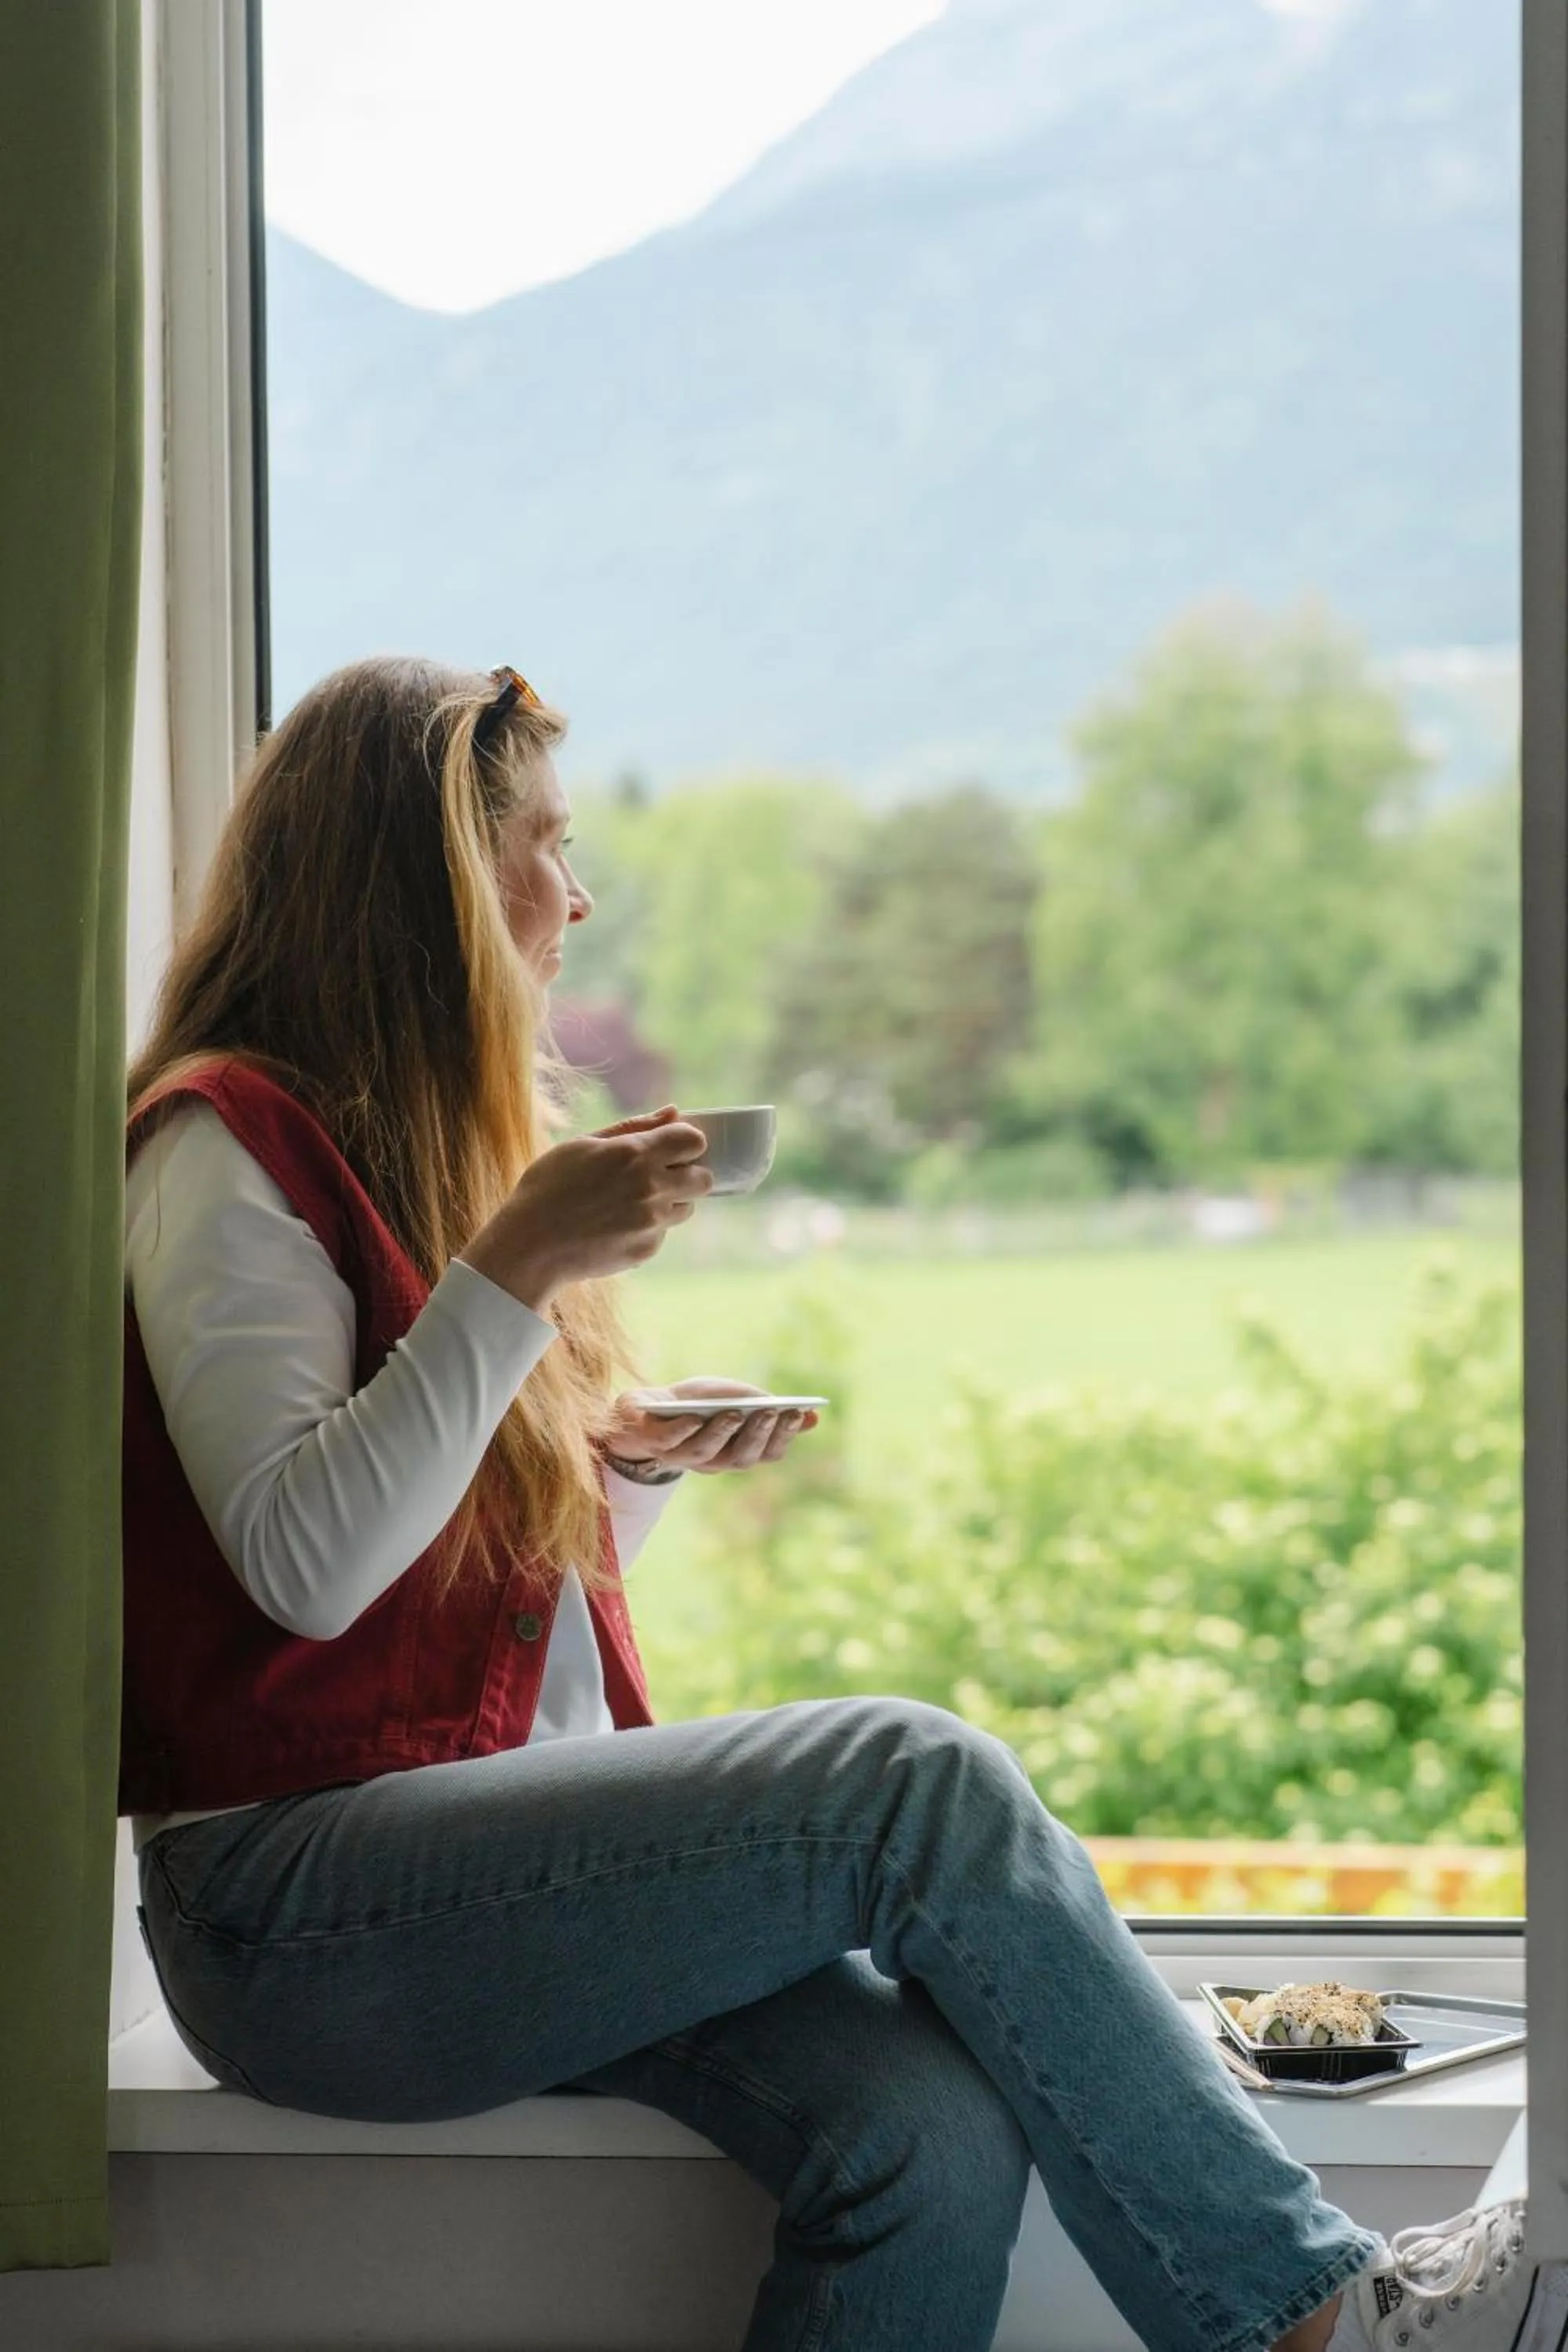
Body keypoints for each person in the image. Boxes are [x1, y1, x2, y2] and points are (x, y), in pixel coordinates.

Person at [122, 655, 1557, 2352]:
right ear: (431, 871)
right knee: (910, 1779)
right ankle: (1316, 2313)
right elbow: (300, 1566)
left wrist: (619, 1468)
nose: (576, 896)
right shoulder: (220, 1142)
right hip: (299, 1924)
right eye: (546, 845)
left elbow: (458, 1612)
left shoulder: (425, 1145)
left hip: (455, 1881)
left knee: (920, 2129)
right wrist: (514, 1271)